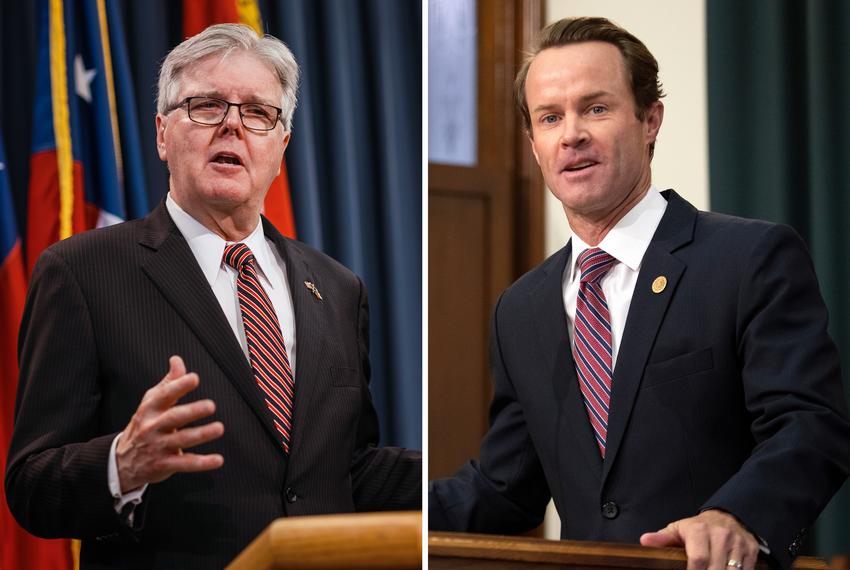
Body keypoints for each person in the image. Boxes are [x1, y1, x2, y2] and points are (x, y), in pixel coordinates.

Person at [429, 17, 850, 570]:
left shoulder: (749, 258)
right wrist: (377, 504)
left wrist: (737, 515)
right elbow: (507, 488)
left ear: (650, 120)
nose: (571, 133)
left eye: (595, 108)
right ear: (534, 145)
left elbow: (810, 424)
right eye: (550, 118)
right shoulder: (521, 309)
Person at [5, 24, 420, 569]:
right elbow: (32, 484)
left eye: (257, 113)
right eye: (205, 106)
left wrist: (450, 476)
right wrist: (121, 464)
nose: (231, 125)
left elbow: (344, 469)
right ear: (161, 133)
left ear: (281, 145)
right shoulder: (81, 272)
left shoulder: (338, 288)